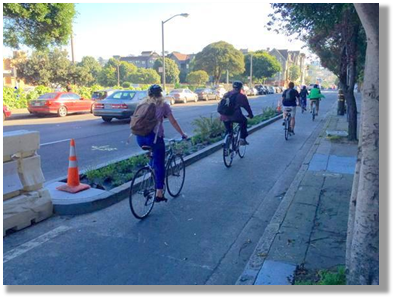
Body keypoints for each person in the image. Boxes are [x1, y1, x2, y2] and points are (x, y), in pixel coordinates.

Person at [135, 84, 187, 202]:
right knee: (160, 164)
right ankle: (159, 192)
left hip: (140, 137)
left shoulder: (142, 104)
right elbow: (173, 121)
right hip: (154, 138)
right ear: (161, 94)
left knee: (154, 158)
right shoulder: (163, 105)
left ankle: (150, 169)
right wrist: (182, 134)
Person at [219, 81, 254, 145]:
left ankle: (226, 145)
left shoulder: (226, 94)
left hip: (224, 116)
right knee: (244, 121)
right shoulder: (241, 96)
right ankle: (242, 139)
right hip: (235, 116)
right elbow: (247, 106)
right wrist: (250, 114)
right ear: (241, 87)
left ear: (233, 87)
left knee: (229, 130)